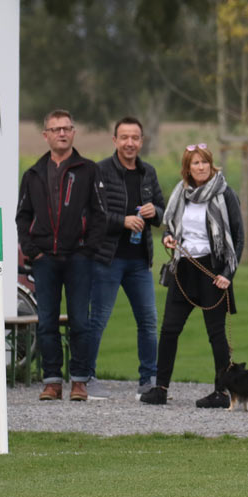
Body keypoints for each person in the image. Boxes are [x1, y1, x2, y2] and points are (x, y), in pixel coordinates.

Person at [140, 143, 244, 408]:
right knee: (169, 329)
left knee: (216, 333)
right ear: (187, 168)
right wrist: (168, 237)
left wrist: (228, 274)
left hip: (212, 269)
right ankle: (160, 388)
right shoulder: (181, 193)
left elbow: (238, 236)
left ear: (211, 165)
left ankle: (222, 392)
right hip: (184, 266)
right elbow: (171, 227)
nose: (201, 167)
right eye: (195, 163)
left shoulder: (225, 193)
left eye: (204, 162)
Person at [16, 109, 106, 401]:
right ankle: (52, 381)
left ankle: (79, 381)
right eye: (56, 129)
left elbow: (100, 214)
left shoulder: (88, 170)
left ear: (74, 133)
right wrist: (33, 252)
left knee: (80, 321)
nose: (62, 133)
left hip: (79, 258)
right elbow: (22, 217)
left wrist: (88, 250)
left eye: (67, 128)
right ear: (46, 135)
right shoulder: (33, 174)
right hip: (45, 259)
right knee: (46, 322)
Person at [88, 116, 167, 399]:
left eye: (135, 137)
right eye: (124, 137)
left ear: (141, 141)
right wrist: (122, 221)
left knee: (148, 321)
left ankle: (148, 380)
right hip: (107, 260)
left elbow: (163, 212)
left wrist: (154, 212)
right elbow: (92, 215)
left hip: (140, 261)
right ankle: (86, 378)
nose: (129, 143)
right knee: (97, 320)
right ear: (115, 140)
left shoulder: (148, 173)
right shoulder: (100, 171)